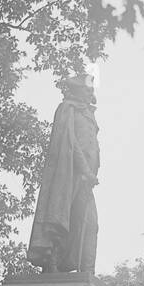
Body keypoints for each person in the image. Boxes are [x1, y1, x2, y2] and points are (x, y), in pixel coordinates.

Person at [26, 72, 99, 273]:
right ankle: (52, 264)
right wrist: (85, 168)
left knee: (89, 223)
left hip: (86, 179)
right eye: (87, 89)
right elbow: (69, 141)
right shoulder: (68, 109)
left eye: (91, 90)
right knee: (61, 218)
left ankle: (88, 273)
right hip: (68, 175)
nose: (90, 93)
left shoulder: (88, 114)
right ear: (79, 90)